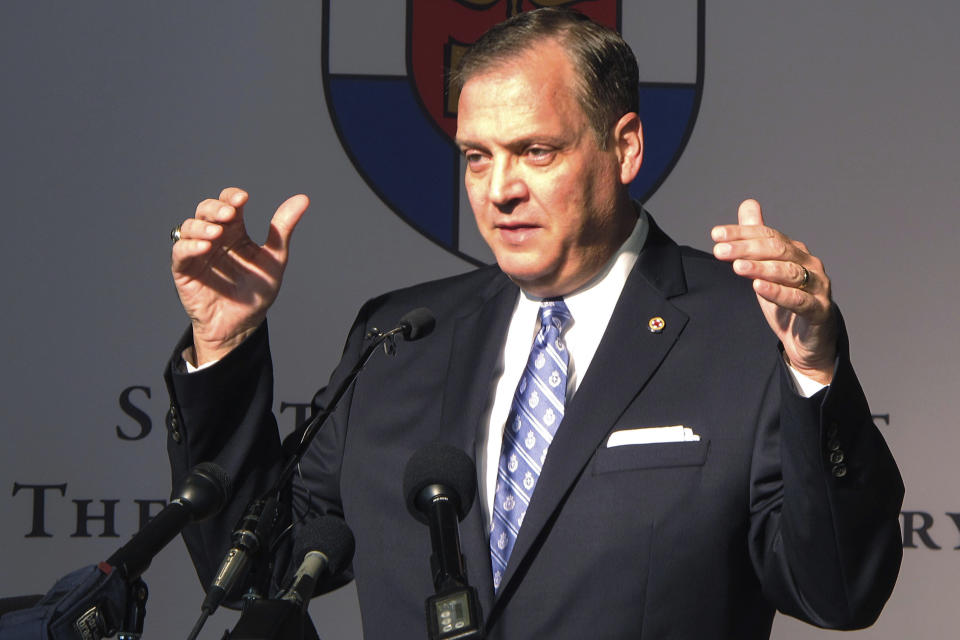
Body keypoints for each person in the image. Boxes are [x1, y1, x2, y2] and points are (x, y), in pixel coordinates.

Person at [165, 8, 902, 639]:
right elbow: (257, 567)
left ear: (625, 148)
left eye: (536, 151)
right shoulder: (397, 339)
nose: (500, 190)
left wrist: (813, 369)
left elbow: (838, 590)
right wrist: (223, 345)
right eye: (477, 158)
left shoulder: (744, 332)